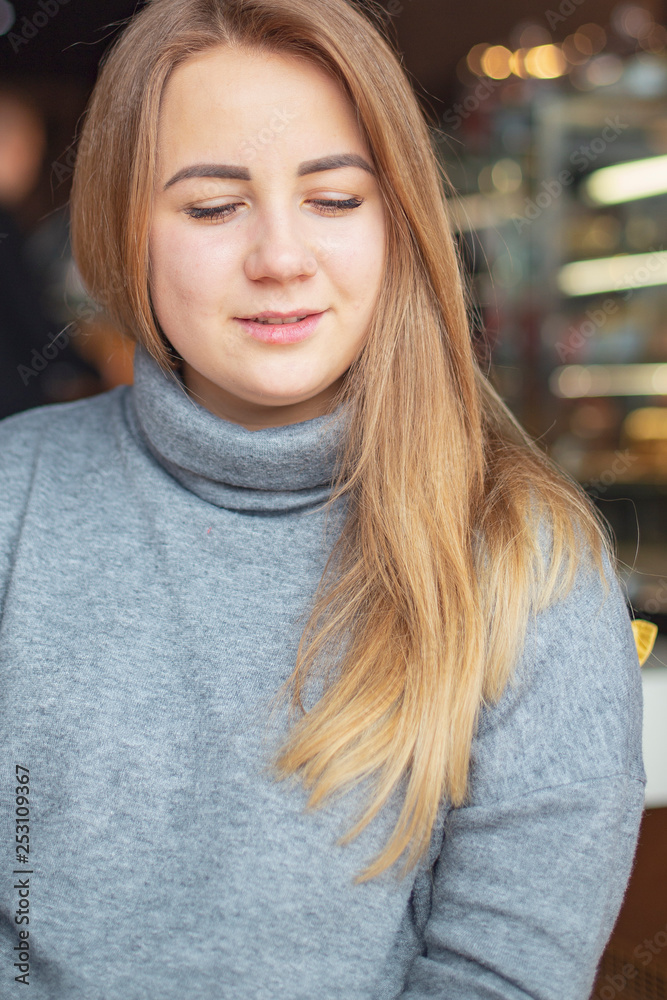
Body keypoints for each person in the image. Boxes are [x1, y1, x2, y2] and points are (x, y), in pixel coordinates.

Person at [0, 1, 646, 997]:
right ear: (125, 234)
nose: (280, 257)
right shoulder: (15, 499)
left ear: (397, 219)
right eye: (213, 207)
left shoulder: (525, 559)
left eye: (336, 199)